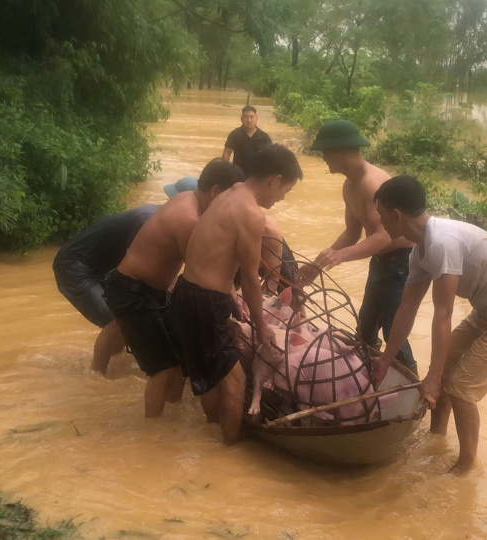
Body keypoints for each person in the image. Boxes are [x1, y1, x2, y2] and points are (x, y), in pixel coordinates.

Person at [371, 176, 487, 473]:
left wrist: (434, 377)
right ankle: (436, 438)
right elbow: (406, 309)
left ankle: (466, 466)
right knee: (446, 364)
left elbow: (443, 313)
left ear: (396, 215)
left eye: (381, 215)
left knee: (461, 386)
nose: (380, 222)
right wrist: (386, 359)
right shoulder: (420, 251)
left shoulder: (442, 242)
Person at [172, 143, 302, 444]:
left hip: (185, 292)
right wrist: (261, 326)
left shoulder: (226, 195)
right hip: (206, 303)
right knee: (235, 381)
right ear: (275, 180)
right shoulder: (251, 213)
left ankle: (214, 432)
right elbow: (250, 278)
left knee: (209, 378)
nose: (281, 198)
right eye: (286, 190)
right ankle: (227, 456)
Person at [103, 159, 245, 418]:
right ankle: (153, 432)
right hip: (131, 291)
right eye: (229, 197)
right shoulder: (190, 219)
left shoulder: (188, 199)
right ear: (215, 192)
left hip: (149, 291)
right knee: (163, 367)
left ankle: (173, 411)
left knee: (180, 355)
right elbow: (202, 274)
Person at [297, 119, 417, 372]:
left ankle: (412, 383)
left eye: (326, 153)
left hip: (402, 260)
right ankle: (366, 373)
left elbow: (384, 236)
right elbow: (352, 233)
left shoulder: (372, 184)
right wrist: (318, 265)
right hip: (381, 260)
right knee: (366, 323)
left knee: (392, 325)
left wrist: (340, 256)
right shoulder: (349, 186)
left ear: (341, 151)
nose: (324, 159)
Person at [53, 177, 199, 374]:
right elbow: (135, 266)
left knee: (125, 319)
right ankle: (96, 374)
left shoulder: (164, 217)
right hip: (76, 266)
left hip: (103, 267)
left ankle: (116, 364)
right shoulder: (148, 217)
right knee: (117, 319)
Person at [222, 105, 272, 176]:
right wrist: (225, 170)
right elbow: (227, 152)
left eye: (252, 117)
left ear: (256, 119)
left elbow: (271, 157)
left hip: (256, 175)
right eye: (246, 117)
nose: (249, 120)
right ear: (241, 119)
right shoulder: (235, 134)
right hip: (238, 174)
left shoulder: (264, 137)